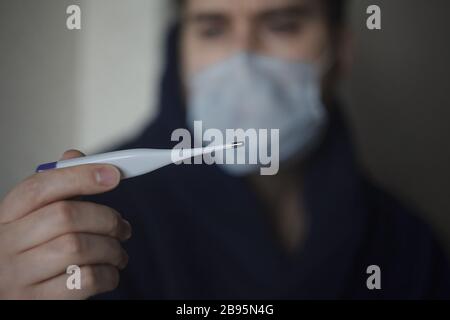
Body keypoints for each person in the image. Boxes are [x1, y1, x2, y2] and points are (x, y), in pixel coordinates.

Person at [0, 0, 449, 300]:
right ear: (180, 50)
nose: (242, 58)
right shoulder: (87, 224)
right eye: (213, 29)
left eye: (282, 25)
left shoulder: (408, 245)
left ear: (342, 51)